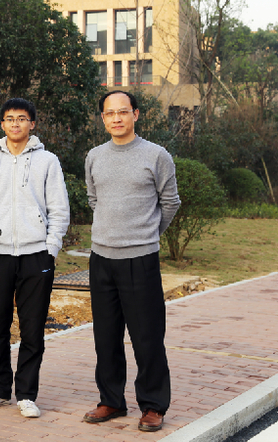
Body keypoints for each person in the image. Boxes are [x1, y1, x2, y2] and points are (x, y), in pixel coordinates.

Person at [83, 90, 181, 432]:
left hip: (140, 259)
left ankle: (153, 405)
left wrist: (147, 233)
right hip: (101, 258)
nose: (116, 118)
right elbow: (94, 199)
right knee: (105, 336)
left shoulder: (156, 155)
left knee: (147, 336)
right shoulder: (94, 156)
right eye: (110, 113)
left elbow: (170, 203)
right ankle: (111, 400)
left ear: (135, 114)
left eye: (123, 112)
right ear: (103, 118)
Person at [0, 98, 70, 418]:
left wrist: (51, 248)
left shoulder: (48, 161)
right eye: (10, 119)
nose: (15, 124)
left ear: (32, 124)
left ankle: (27, 394)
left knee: (32, 328)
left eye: (22, 118)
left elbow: (59, 208)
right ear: (2, 124)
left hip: (35, 255)